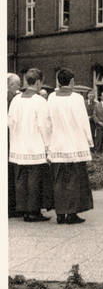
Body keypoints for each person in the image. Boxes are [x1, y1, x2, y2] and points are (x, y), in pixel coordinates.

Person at [47, 68, 94, 224]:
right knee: (74, 180)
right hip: (74, 144)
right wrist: (89, 140)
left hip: (58, 144)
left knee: (59, 180)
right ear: (72, 81)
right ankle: (71, 213)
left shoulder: (51, 97)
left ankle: (60, 213)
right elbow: (83, 121)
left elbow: (48, 122)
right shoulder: (77, 99)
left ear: (59, 81)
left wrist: (48, 144)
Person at [8, 68, 53, 222]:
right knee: (34, 180)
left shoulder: (16, 99)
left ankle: (23, 210)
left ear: (27, 81)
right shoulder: (40, 101)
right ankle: (33, 211)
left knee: (20, 179)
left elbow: (10, 123)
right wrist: (48, 146)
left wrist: (15, 139)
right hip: (35, 146)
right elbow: (44, 126)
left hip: (18, 146)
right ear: (39, 82)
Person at [8, 73, 22, 218]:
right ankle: (12, 207)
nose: (18, 88)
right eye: (17, 85)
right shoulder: (11, 99)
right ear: (11, 85)